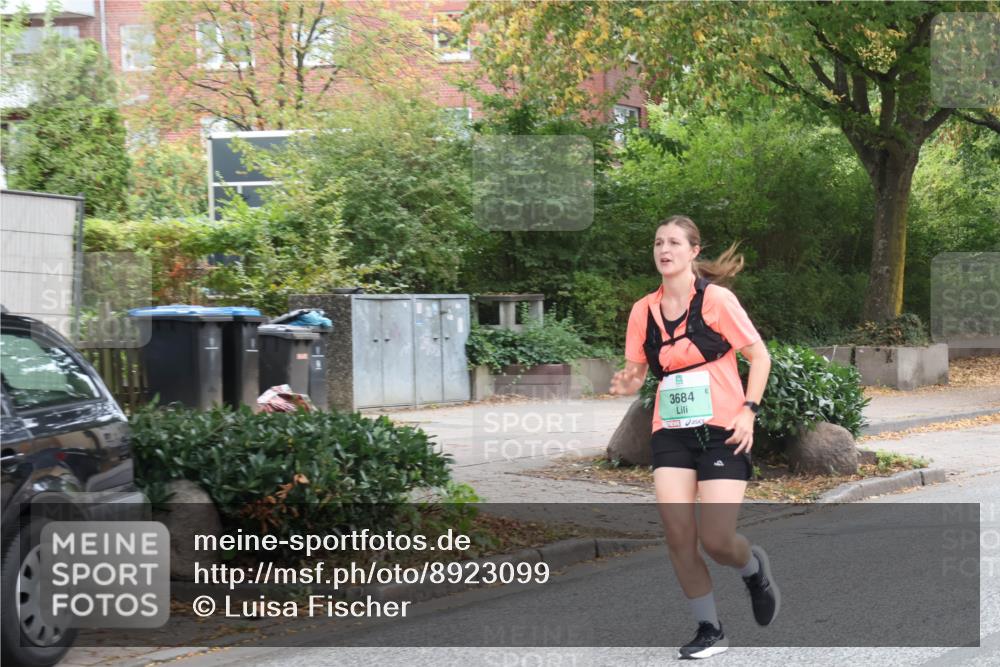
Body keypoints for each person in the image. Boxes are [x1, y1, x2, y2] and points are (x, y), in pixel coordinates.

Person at [610, 215, 779, 660]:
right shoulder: (642, 311)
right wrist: (628, 383)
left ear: (693, 252)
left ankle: (752, 568)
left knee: (717, 540)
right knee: (678, 535)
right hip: (671, 433)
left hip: (724, 429)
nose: (664, 249)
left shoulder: (717, 300)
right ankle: (710, 628)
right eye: (657, 242)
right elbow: (636, 371)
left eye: (674, 242)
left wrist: (750, 412)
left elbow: (759, 358)